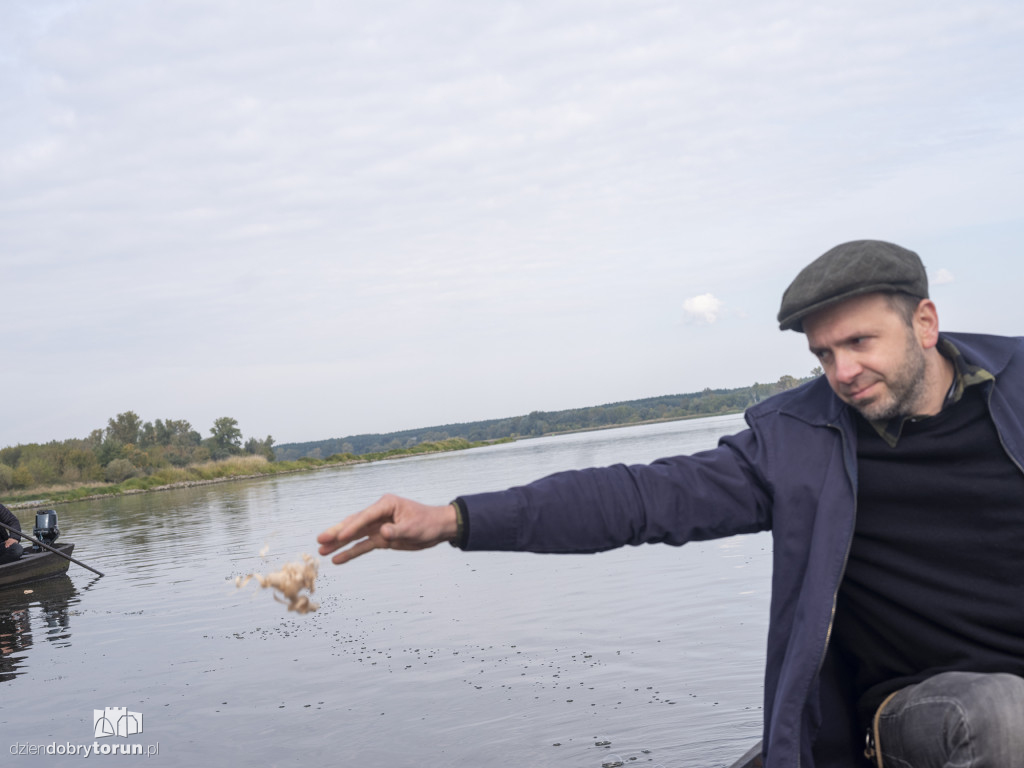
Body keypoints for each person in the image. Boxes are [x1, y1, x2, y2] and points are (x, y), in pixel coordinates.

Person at [317, 240, 1024, 768]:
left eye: (860, 343)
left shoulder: (1016, 389)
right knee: (1000, 717)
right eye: (824, 355)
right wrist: (454, 520)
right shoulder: (795, 442)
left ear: (924, 323)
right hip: (922, 713)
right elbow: (641, 498)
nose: (843, 372)